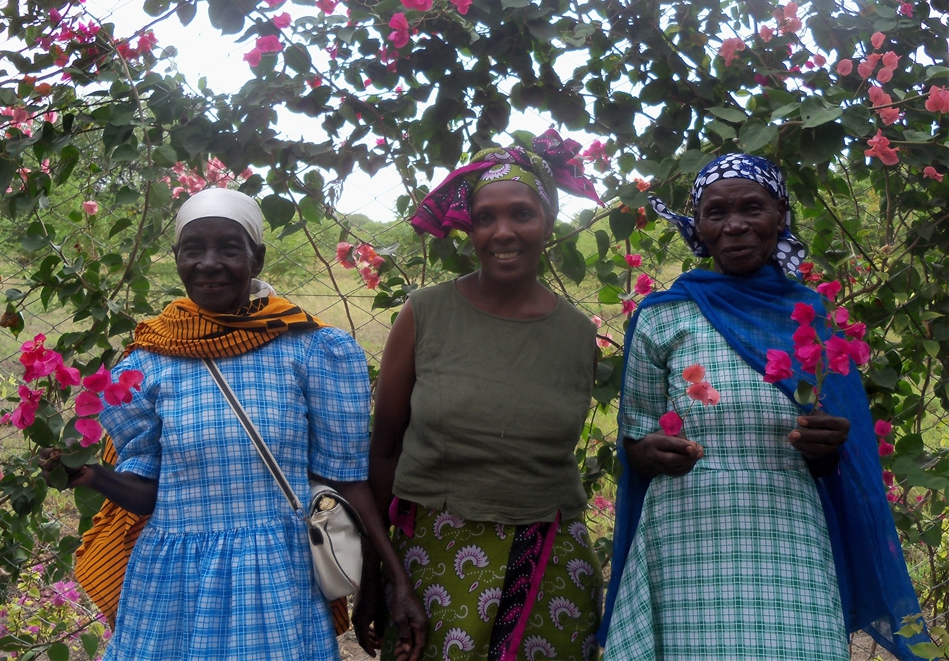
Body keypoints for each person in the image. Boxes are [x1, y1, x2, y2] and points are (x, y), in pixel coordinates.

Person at [41, 188, 426, 660]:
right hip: (174, 584)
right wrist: (92, 476)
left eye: (229, 248)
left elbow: (346, 480)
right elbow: (148, 493)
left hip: (277, 577)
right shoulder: (147, 363)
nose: (209, 263)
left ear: (256, 258)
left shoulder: (312, 351)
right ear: (177, 258)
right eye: (193, 249)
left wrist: (389, 582)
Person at [599, 154, 924, 660]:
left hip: (789, 530)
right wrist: (648, 453)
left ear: (780, 215)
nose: (734, 225)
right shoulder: (663, 318)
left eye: (752, 207)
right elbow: (635, 439)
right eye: (716, 212)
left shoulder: (811, 316)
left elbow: (840, 459)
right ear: (698, 226)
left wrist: (826, 448)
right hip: (685, 537)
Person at [361, 130, 605, 661]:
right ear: (468, 228)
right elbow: (384, 449)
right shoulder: (425, 314)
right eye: (485, 218)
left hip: (549, 565)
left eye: (522, 214)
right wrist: (377, 578)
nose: (503, 232)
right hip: (434, 557)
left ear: (548, 220)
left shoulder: (577, 334)